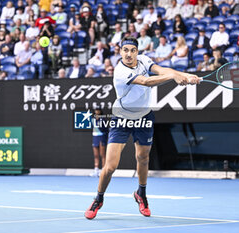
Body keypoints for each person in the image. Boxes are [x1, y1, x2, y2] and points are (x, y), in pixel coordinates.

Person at [84, 36, 200, 220]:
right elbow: (147, 82)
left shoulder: (144, 60)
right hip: (122, 117)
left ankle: (141, 194)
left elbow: (162, 69)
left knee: (143, 157)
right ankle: (98, 198)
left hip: (144, 116)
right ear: (120, 52)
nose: (129, 54)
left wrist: (184, 75)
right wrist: (173, 77)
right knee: (110, 166)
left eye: (132, 50)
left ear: (137, 51)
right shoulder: (120, 71)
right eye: (125, 50)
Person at [90, 109, 108, 177]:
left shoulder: (103, 120)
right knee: (96, 155)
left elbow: (106, 129)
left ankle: (103, 171)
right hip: (95, 137)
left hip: (101, 137)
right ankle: (96, 171)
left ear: (100, 111)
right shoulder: (92, 119)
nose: (97, 112)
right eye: (96, 110)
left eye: (98, 110)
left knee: (102, 155)